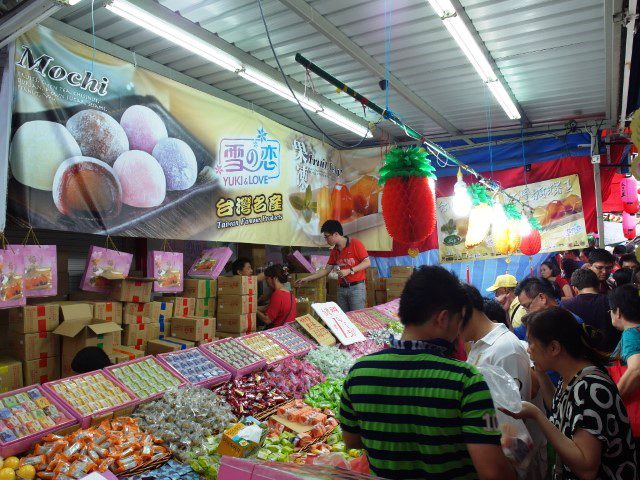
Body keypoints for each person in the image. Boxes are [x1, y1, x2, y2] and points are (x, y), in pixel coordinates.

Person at [338, 266, 516, 480]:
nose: (458, 332)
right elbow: (493, 473)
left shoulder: (359, 374)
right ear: (442, 318)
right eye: (459, 320)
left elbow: (352, 441)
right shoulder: (465, 380)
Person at [501, 307, 637, 480]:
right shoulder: (571, 376)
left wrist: (536, 414)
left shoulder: (590, 387)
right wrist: (540, 371)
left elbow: (586, 468)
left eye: (531, 343)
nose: (528, 350)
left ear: (554, 348)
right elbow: (558, 407)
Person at [462, 285, 547, 480]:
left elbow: (515, 414)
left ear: (465, 312)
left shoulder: (505, 348)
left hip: (517, 461)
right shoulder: (480, 344)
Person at [294, 220, 370, 312]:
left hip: (356, 288)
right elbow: (326, 270)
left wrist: (349, 270)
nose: (326, 240)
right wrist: (306, 279)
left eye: (327, 237)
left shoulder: (355, 243)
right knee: (343, 319)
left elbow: (367, 263)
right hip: (341, 289)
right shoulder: (334, 251)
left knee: (356, 318)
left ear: (336, 234)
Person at [561, 269, 620, 353]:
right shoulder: (612, 301)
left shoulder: (565, 306)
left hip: (582, 357)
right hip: (613, 355)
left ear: (574, 288)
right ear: (599, 286)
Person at [609, 284, 640, 402]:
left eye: (610, 310)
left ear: (618, 312)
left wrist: (613, 402)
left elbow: (636, 368)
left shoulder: (631, 333)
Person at [256, 264, 296, 328]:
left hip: (278, 332)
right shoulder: (289, 294)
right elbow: (268, 307)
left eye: (267, 279)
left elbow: (267, 320)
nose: (266, 282)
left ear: (275, 279)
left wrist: (255, 311)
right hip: (288, 332)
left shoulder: (278, 294)